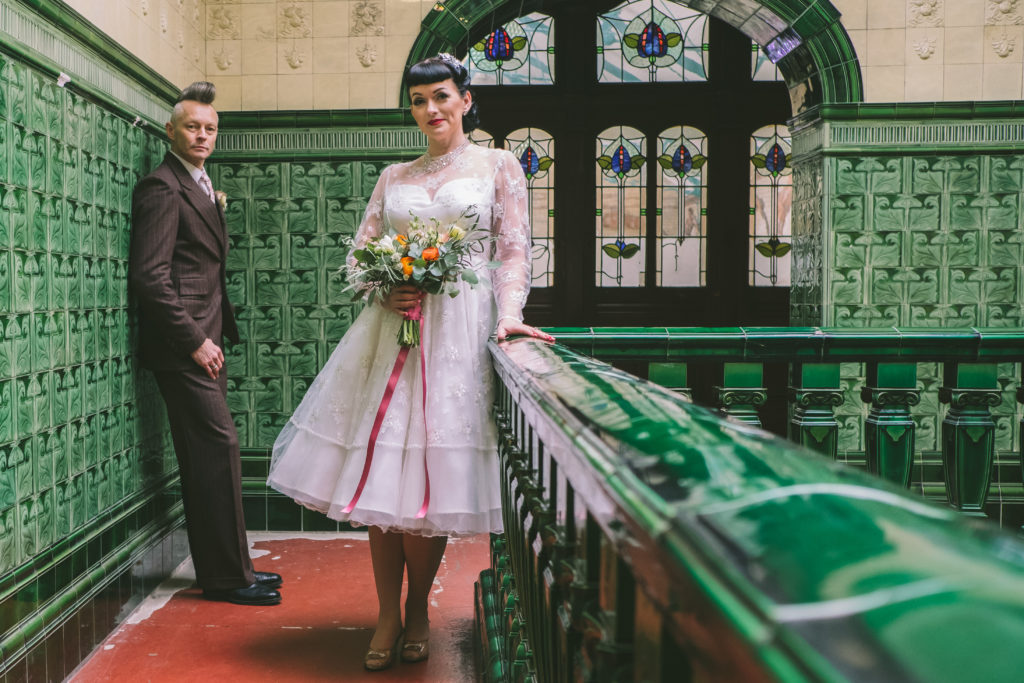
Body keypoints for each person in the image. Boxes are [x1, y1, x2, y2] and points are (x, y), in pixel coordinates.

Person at [268, 54, 553, 669]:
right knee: (381, 476)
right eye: (420, 99)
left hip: (462, 328)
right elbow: (357, 256)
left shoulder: (498, 165)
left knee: (429, 477)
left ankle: (419, 607)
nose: (431, 109)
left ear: (466, 100)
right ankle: (387, 613)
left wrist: (508, 316)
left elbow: (513, 252)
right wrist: (383, 284)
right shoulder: (394, 175)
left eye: (442, 97)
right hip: (394, 330)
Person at [130, 82, 282, 606]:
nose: (202, 134)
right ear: (170, 130)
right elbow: (151, 278)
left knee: (211, 454)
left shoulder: (198, 183)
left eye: (210, 128)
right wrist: (196, 341)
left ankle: (230, 569)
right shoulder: (161, 187)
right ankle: (226, 578)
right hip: (183, 347)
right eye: (192, 126)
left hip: (205, 341)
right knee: (217, 450)